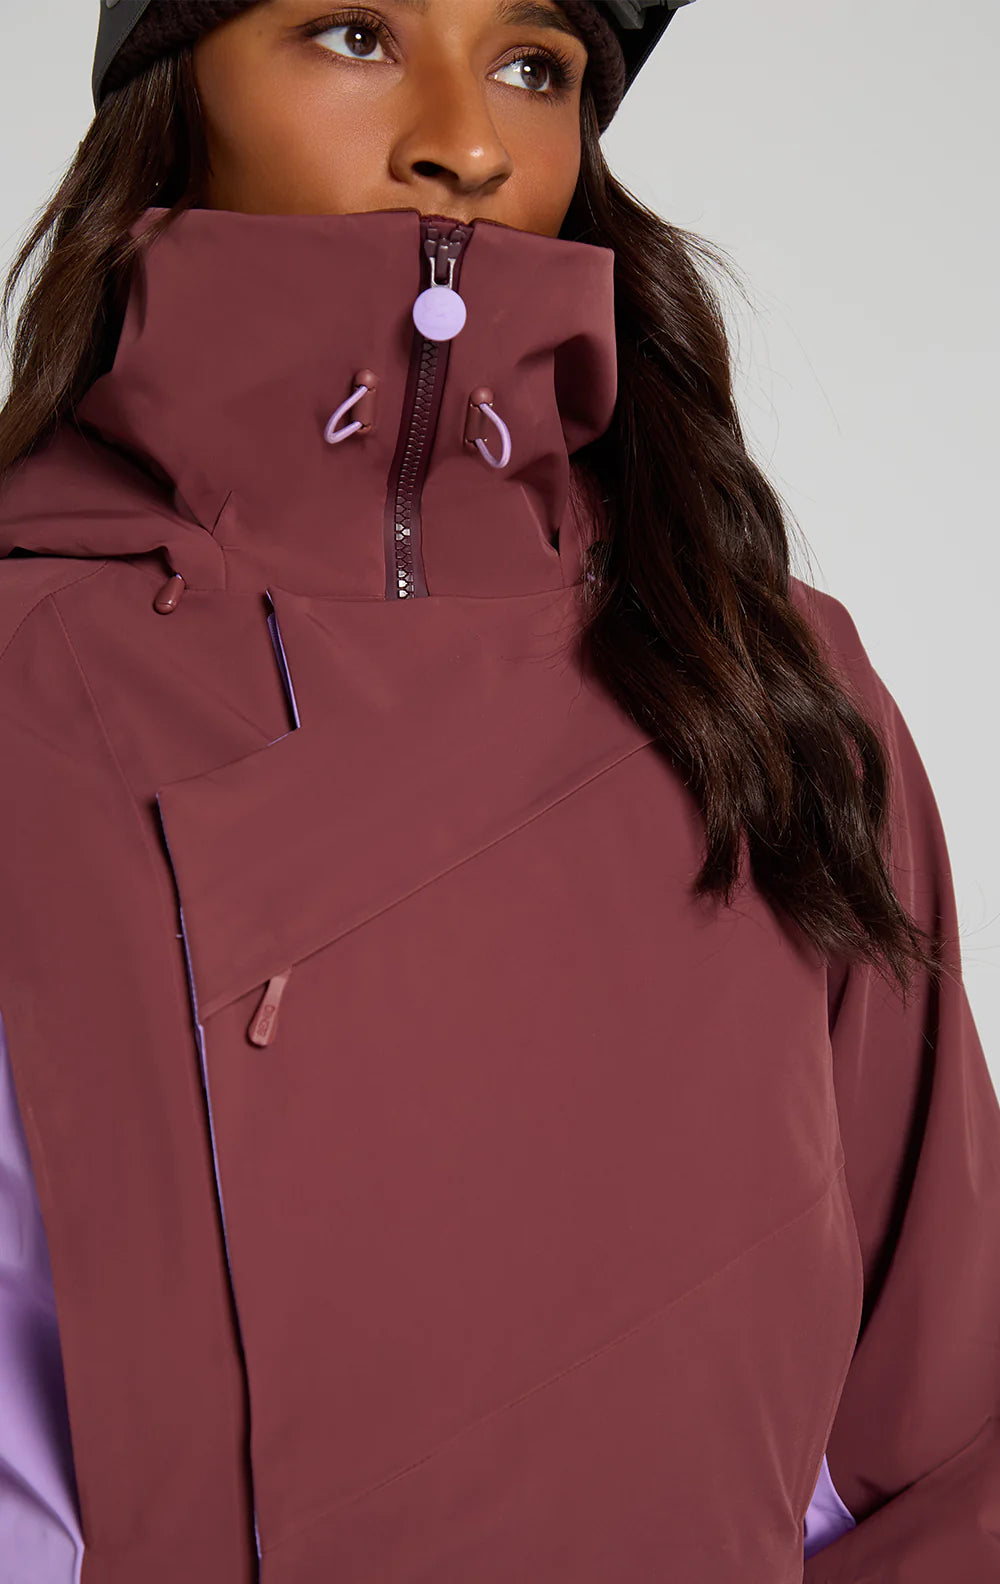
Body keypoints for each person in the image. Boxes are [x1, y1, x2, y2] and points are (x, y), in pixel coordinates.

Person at [0, 2, 997, 1579]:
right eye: (353, 33)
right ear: (168, 97)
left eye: (536, 66)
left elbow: (950, 1432)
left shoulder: (766, 676)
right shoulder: (29, 681)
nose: (466, 142)